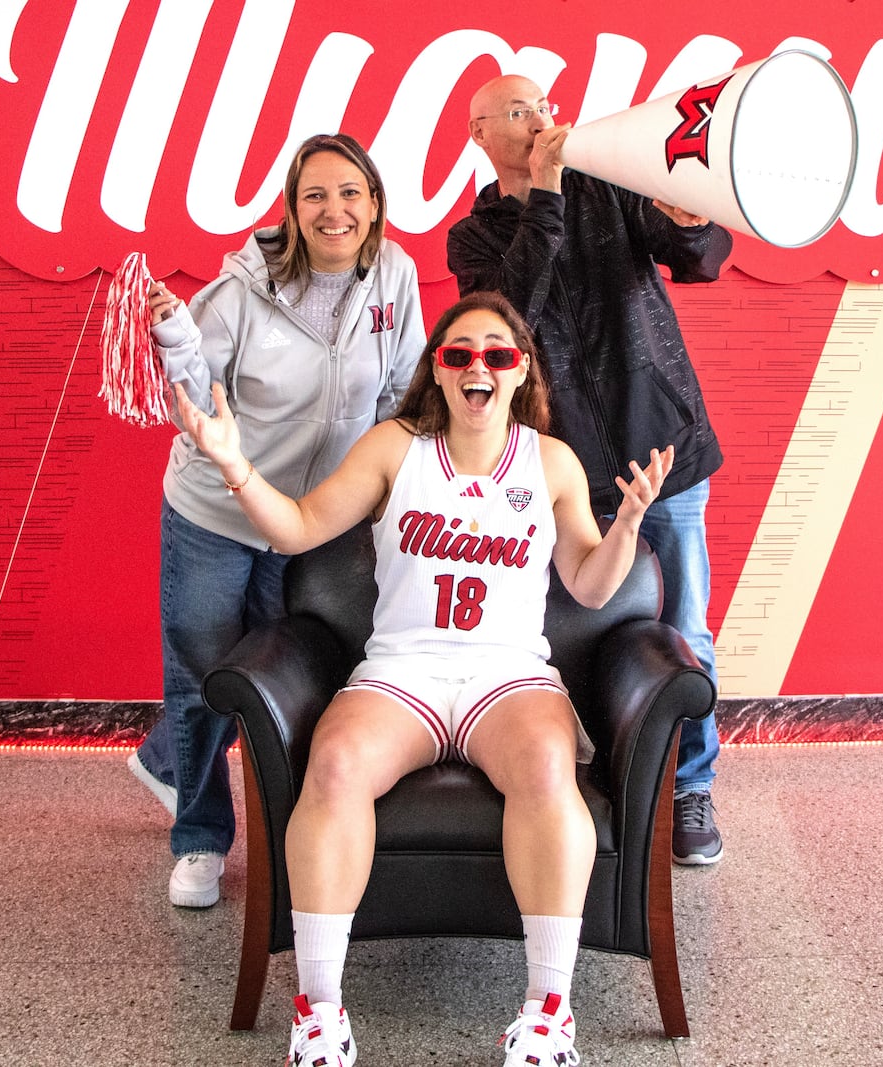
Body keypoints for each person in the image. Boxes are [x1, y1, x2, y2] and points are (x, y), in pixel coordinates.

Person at [172, 291, 672, 1067]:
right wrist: (233, 464)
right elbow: (300, 525)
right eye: (460, 353)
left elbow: (591, 584)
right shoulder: (395, 448)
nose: (479, 365)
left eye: (497, 355)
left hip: (507, 676)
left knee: (548, 767)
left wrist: (627, 526)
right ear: (436, 370)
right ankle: (319, 1011)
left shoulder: (550, 462)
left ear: (520, 372)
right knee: (334, 765)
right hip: (403, 671)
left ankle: (547, 1013)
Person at [131, 133, 424, 910]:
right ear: (293, 210)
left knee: (292, 675)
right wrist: (175, 341)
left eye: (350, 193)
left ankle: (180, 764)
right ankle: (198, 838)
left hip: (317, 519)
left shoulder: (395, 276)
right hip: (217, 511)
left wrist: (394, 489)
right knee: (205, 675)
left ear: (374, 204)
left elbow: (401, 390)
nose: (335, 210)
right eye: (316, 195)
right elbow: (196, 392)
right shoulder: (240, 291)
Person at [448, 74, 732, 865]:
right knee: (566, 631)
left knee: (687, 632)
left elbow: (697, 255)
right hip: (562, 473)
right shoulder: (472, 238)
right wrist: (545, 197)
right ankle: (584, 781)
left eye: (542, 104)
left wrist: (693, 217)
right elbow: (506, 321)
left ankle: (690, 787)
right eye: (517, 111)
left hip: (664, 451)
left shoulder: (608, 186)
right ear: (480, 136)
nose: (540, 119)